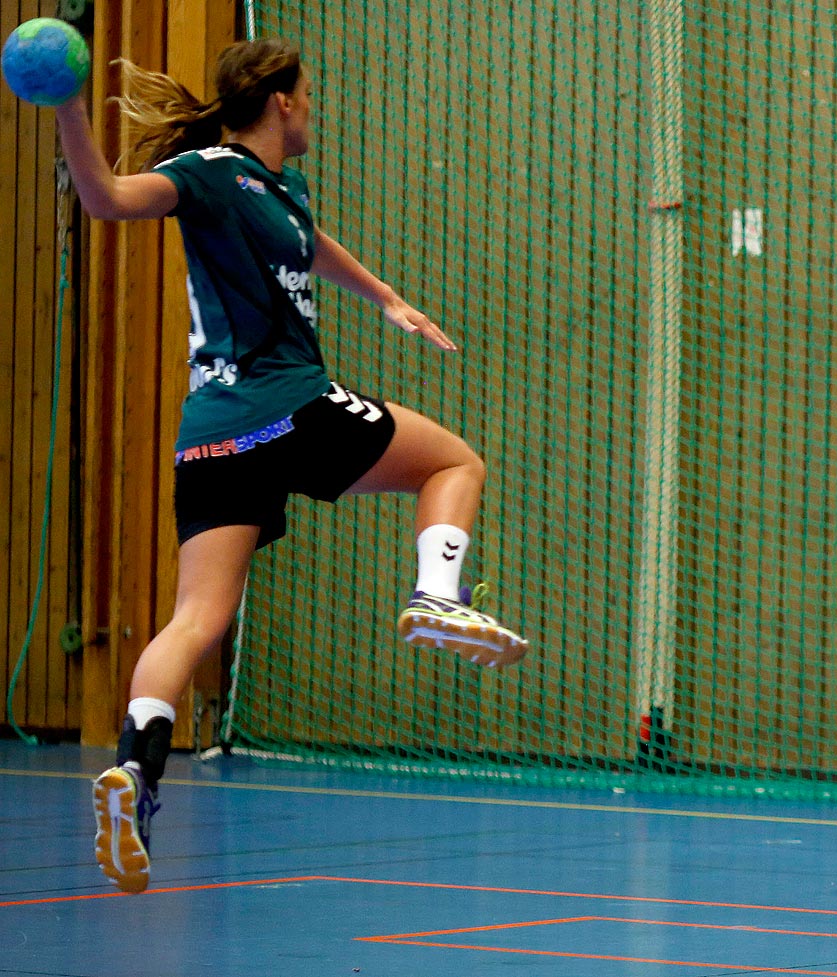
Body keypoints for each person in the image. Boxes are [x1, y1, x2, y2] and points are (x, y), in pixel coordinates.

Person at [47, 37, 528, 894]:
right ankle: (436, 599)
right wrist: (68, 106)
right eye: (308, 94)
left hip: (210, 436)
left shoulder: (279, 189)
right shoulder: (201, 173)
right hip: (287, 405)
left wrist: (383, 296)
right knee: (453, 462)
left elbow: (309, 243)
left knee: (195, 617)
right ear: (280, 103)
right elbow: (107, 198)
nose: (314, 106)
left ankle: (134, 772)